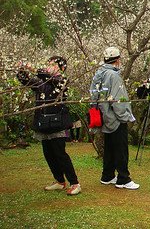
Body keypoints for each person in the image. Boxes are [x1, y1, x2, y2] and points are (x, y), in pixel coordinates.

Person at [17, 56, 81, 196]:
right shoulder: (42, 83)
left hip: (57, 124)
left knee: (60, 154)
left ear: (62, 68)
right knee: (48, 154)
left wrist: (32, 68)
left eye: (53, 64)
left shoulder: (62, 80)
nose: (49, 66)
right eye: (48, 64)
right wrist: (21, 70)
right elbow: (26, 81)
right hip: (43, 123)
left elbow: (50, 77)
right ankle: (59, 181)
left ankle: (74, 183)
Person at [90, 47, 139, 189]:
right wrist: (125, 116)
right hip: (115, 117)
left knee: (110, 148)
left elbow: (94, 95)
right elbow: (118, 99)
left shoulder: (98, 74)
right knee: (121, 148)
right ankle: (123, 178)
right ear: (117, 60)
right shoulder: (113, 76)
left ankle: (108, 175)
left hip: (104, 116)